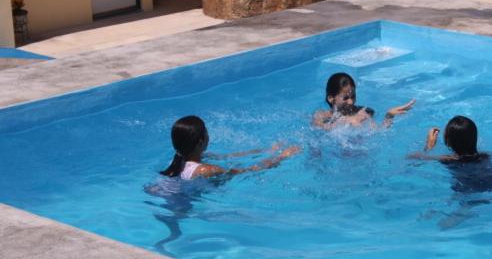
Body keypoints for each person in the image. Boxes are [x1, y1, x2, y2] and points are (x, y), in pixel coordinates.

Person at [160, 115, 300, 180]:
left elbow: (229, 156)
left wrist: (268, 150)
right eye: (207, 132)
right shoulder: (205, 170)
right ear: (201, 141)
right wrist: (282, 157)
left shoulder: (177, 160)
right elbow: (248, 171)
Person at [312, 72, 416, 130]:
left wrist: (389, 115)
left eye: (353, 96)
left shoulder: (363, 112)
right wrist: (345, 121)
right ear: (331, 98)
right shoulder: (322, 115)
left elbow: (379, 132)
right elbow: (317, 128)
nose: (351, 102)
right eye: (345, 98)